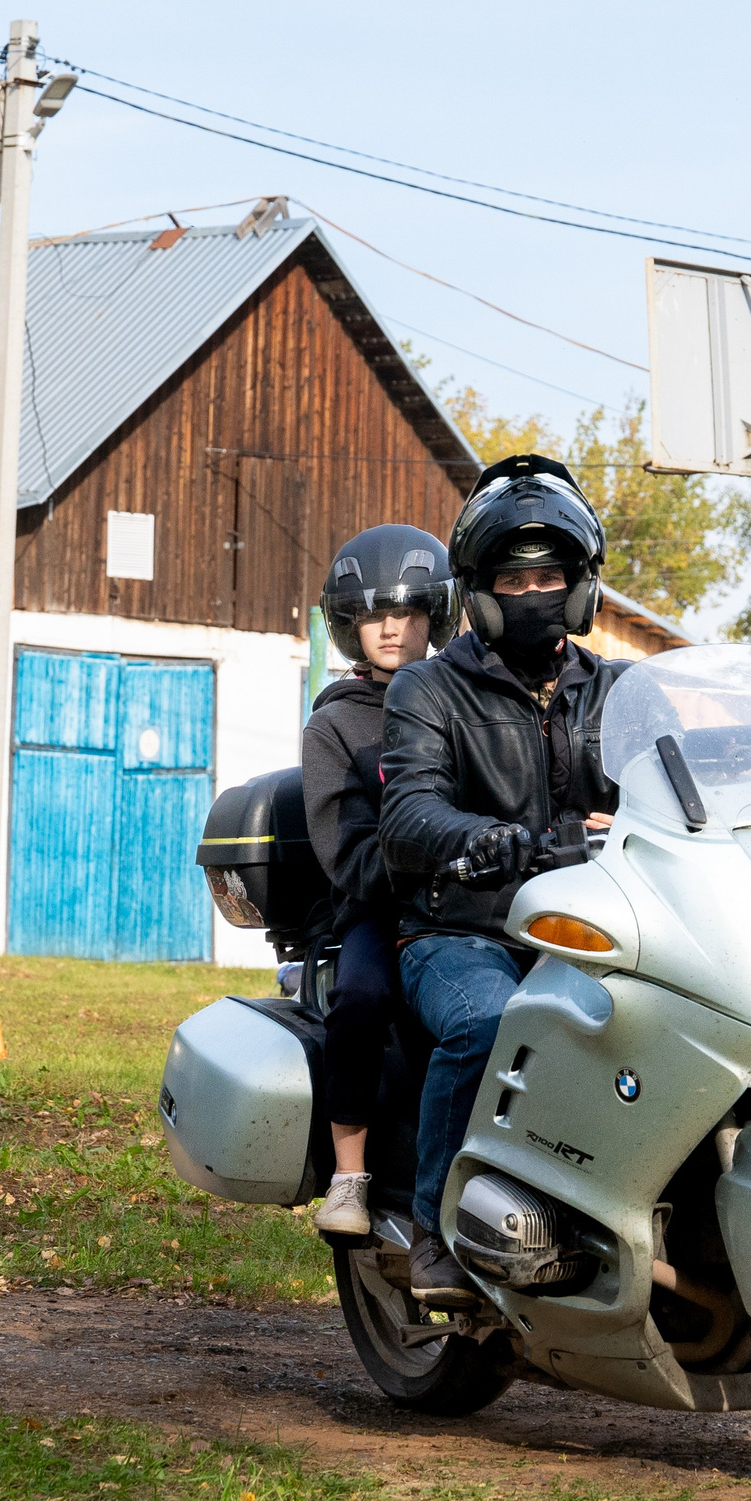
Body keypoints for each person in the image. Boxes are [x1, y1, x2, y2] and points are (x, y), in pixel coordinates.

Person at [378, 454, 627, 1306]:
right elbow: (406, 817)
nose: (533, 592)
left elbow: (692, 783)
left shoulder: (621, 691)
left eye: (550, 574)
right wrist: (502, 839)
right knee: (489, 1024)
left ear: (583, 587)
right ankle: (434, 1229)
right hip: (462, 931)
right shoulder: (428, 689)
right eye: (513, 578)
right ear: (478, 593)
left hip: (592, 932)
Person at [301, 525, 454, 1239]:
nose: (392, 627)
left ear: (437, 616)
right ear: (349, 625)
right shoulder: (336, 726)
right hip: (375, 906)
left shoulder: (466, 702)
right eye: (373, 615)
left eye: (408, 611)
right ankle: (350, 1175)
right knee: (361, 995)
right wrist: (431, 852)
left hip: (468, 902)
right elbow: (347, 852)